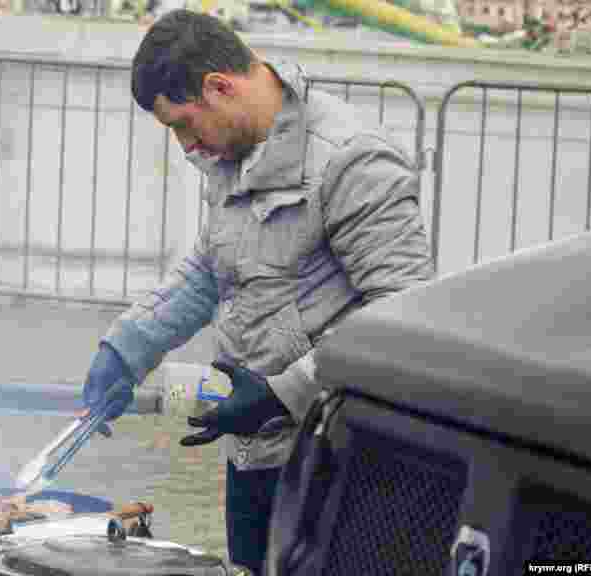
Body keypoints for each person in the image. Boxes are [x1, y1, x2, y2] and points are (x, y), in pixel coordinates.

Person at [80, 9, 434, 575]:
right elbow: (206, 270)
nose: (185, 145)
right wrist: (126, 346)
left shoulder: (351, 158)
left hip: (336, 462)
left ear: (218, 87)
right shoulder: (229, 154)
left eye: (183, 124)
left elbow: (404, 311)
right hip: (254, 452)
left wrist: (281, 395)